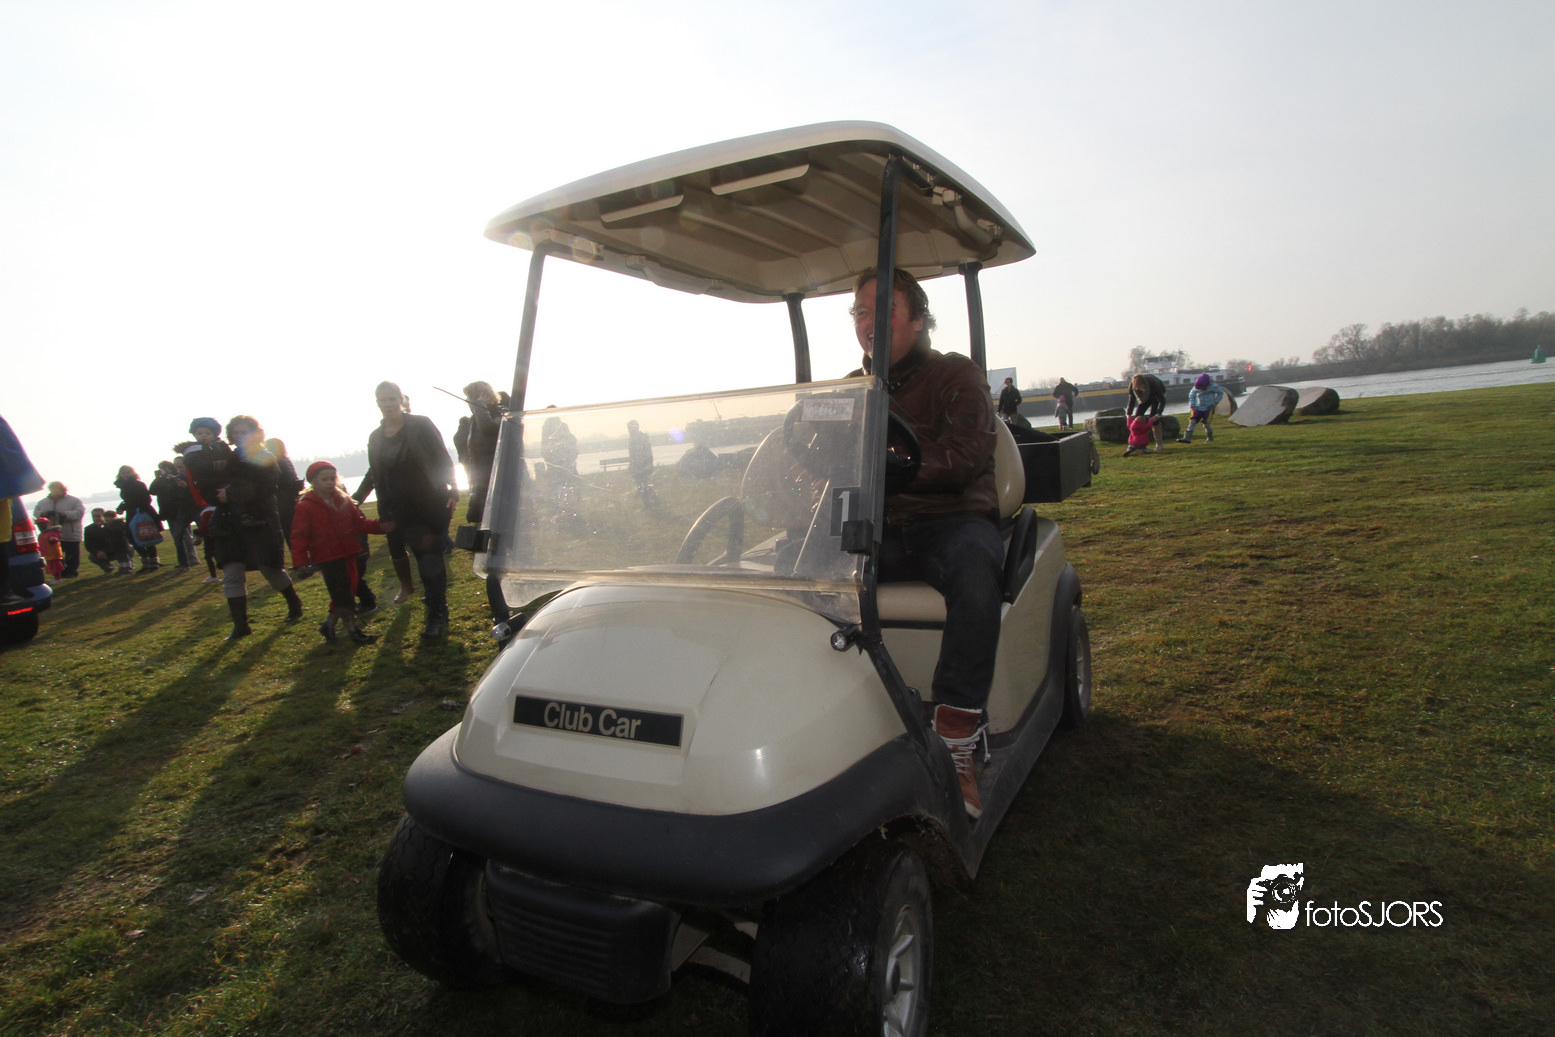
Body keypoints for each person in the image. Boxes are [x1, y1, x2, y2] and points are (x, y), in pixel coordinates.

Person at [849, 267, 1003, 819]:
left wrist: (890, 466)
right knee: (797, 569)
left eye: (882, 310)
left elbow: (965, 456)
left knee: (976, 568)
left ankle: (957, 738)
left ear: (917, 320)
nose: (868, 322)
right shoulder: (850, 388)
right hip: (880, 528)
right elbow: (812, 452)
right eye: (860, 312)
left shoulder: (955, 375)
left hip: (949, 519)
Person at [187, 415, 305, 639]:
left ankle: (294, 603)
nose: (240, 436)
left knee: (270, 570)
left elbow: (266, 486)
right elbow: (209, 487)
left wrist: (231, 493)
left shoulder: (265, 456)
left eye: (245, 432)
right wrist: (217, 495)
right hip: (229, 524)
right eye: (236, 432)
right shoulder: (226, 458)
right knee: (232, 574)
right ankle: (241, 626)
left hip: (260, 521)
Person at [365, 381, 459, 639]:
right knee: (422, 557)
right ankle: (437, 606)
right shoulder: (376, 437)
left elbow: (442, 457)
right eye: (383, 399)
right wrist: (383, 511)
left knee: (432, 557)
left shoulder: (421, 424)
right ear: (377, 403)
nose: (388, 404)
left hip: (430, 500)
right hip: (401, 507)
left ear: (401, 399)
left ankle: (436, 612)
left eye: (392, 398)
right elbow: (377, 475)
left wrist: (453, 489)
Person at [291, 460, 389, 645]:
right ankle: (353, 631)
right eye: (324, 479)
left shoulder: (343, 500)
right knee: (343, 595)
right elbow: (299, 536)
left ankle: (329, 625)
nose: (329, 483)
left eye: (332, 478)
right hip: (327, 557)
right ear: (313, 481)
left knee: (347, 591)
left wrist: (380, 526)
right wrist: (300, 562)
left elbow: (358, 523)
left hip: (348, 553)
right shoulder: (305, 507)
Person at [453, 381, 506, 524]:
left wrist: (479, 405)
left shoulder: (502, 413)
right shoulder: (475, 420)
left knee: (499, 526)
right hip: (481, 485)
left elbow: (489, 428)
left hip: (498, 484)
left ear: (484, 396)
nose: (468, 402)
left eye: (471, 398)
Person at [149, 460, 198, 571]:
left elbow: (177, 490)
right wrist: (158, 478)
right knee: (177, 536)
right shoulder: (161, 480)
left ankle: (191, 558)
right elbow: (152, 491)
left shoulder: (177, 477)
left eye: (164, 467)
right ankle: (184, 559)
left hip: (179, 509)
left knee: (184, 535)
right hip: (168, 511)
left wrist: (169, 477)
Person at [114, 465, 162, 573]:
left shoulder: (138, 484)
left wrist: (132, 507)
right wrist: (122, 507)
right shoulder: (123, 486)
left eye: (128, 472)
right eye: (123, 472)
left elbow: (146, 499)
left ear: (132, 473)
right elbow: (128, 500)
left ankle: (153, 562)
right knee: (132, 537)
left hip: (142, 511)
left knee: (147, 536)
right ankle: (146, 561)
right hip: (131, 512)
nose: (125, 475)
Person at [32, 481, 85, 577]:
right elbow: (36, 513)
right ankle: (61, 572)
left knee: (72, 554)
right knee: (56, 555)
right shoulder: (43, 502)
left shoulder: (74, 501)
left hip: (70, 533)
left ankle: (72, 572)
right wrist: (43, 515)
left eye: (57, 490)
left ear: (62, 489)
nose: (55, 492)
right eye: (53, 490)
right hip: (52, 534)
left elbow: (79, 513)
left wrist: (64, 514)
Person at [266, 438, 303, 555]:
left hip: (283, 505)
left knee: (287, 535)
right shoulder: (285, 461)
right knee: (291, 536)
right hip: (289, 503)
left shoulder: (278, 463)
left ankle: (299, 560)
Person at [1126, 371, 1168, 452]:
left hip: (1156, 396)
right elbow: (1132, 399)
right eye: (1136, 388)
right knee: (1137, 421)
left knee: (1154, 419)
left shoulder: (1153, 384)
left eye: (1140, 387)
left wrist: (1158, 414)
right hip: (1144, 399)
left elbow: (1162, 400)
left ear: (1143, 384)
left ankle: (1159, 444)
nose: (1137, 389)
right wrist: (1129, 414)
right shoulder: (1132, 385)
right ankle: (1135, 443)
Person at [1180, 373, 1227, 444]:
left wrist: (1216, 402)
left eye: (1202, 387)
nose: (1201, 389)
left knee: (1206, 423)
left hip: (1208, 407)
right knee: (1192, 421)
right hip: (1198, 407)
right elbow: (1192, 395)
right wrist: (1192, 405)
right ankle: (1187, 437)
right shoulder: (1196, 388)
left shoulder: (1213, 386)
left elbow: (1220, 393)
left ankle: (1210, 438)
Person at [627, 419, 657, 507]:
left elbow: (640, 454)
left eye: (631, 428)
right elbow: (633, 455)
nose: (629, 430)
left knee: (643, 485)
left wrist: (638, 465)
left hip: (642, 466)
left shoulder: (637, 439)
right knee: (642, 485)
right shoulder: (638, 438)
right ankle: (649, 501)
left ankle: (649, 502)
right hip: (641, 466)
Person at [101, 509, 134, 574]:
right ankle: (122, 568)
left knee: (124, 557)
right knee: (120, 558)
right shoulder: (108, 526)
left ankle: (128, 568)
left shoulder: (118, 524)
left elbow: (119, 532)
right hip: (115, 545)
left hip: (122, 545)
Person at [83, 508, 113, 574]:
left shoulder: (110, 526)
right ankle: (108, 567)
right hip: (100, 552)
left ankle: (126, 566)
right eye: (94, 516)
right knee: (91, 556)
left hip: (113, 549)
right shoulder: (88, 529)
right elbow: (88, 545)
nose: (96, 518)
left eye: (98, 516)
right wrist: (97, 552)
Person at [37, 517, 64, 584]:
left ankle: (58, 578)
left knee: (55, 567)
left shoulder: (51, 533)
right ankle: (56, 578)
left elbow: (56, 538)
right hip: (47, 554)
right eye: (39, 525)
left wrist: (53, 539)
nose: (41, 526)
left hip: (53, 553)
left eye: (43, 524)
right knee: (51, 567)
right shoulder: (41, 535)